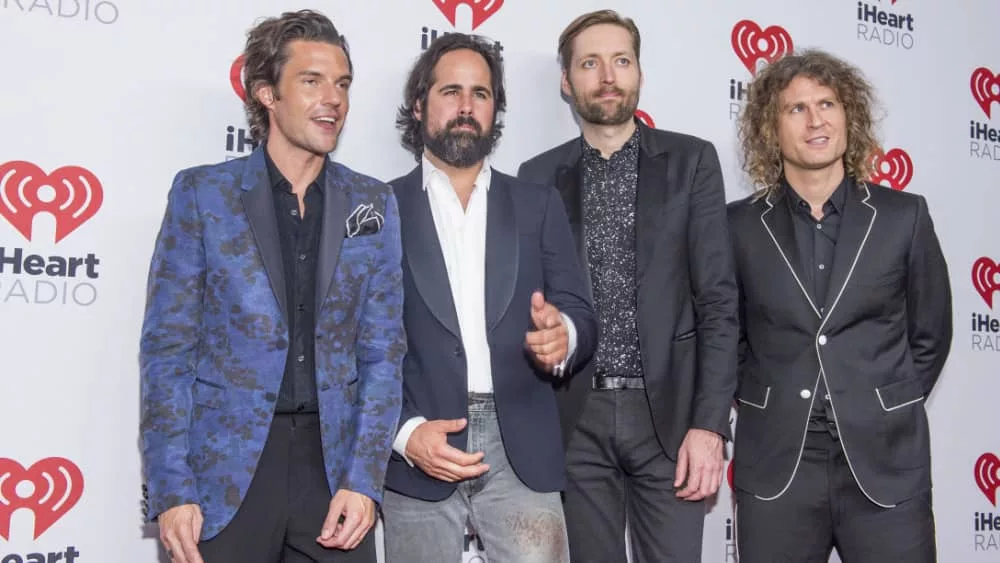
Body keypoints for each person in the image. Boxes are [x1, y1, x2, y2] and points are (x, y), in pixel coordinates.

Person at [139, 10, 405, 563]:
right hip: (225, 476)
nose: (333, 98)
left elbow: (383, 355)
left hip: (334, 477)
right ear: (267, 94)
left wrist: (365, 481)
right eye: (311, 82)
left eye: (343, 83)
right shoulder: (203, 195)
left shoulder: (372, 204)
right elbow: (167, 352)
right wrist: (173, 488)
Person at [517, 10, 739, 563]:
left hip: (670, 419)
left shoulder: (692, 162)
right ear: (568, 82)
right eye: (590, 63)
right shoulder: (536, 176)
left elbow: (718, 301)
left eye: (621, 60)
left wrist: (709, 426)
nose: (608, 75)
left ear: (639, 71)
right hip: (575, 419)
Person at [380, 32, 598, 563]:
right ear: (419, 105)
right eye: (450, 91)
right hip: (420, 447)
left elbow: (580, 314)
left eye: (480, 93)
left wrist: (561, 335)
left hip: (521, 441)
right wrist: (406, 435)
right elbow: (362, 346)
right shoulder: (380, 207)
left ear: (495, 109)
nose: (465, 106)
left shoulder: (536, 204)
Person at [728, 48, 952, 562]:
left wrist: (883, 400)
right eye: (797, 108)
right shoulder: (737, 225)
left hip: (885, 460)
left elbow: (931, 334)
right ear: (771, 127)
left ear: (848, 115)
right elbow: (727, 333)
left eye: (827, 103)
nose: (816, 120)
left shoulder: (904, 216)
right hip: (779, 462)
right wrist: (767, 396)